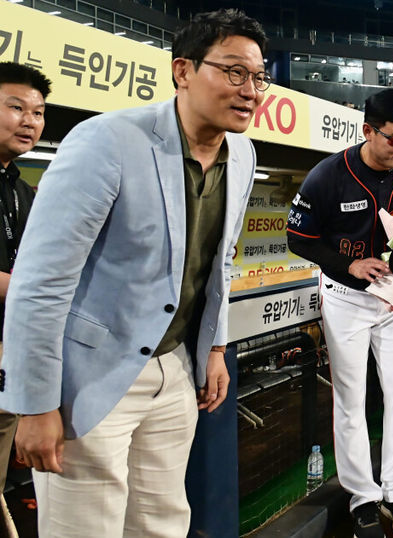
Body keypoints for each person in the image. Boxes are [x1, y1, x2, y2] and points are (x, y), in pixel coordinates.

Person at [0, 10, 264, 535]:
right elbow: (40, 281)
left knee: (162, 524)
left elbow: (220, 260)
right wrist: (34, 403)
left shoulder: (243, 153)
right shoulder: (107, 141)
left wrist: (214, 347)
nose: (250, 90)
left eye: (259, 77)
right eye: (234, 72)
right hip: (89, 377)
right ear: (183, 71)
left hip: (176, 371)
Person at [287, 88, 393, 536]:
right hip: (346, 297)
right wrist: (349, 263)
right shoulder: (328, 176)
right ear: (368, 130)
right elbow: (300, 238)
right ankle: (363, 496)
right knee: (351, 399)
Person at [0, 61, 49, 530]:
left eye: (37, 111)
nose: (30, 120)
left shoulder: (21, 186)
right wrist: (37, 290)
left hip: (11, 351)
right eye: (16, 107)